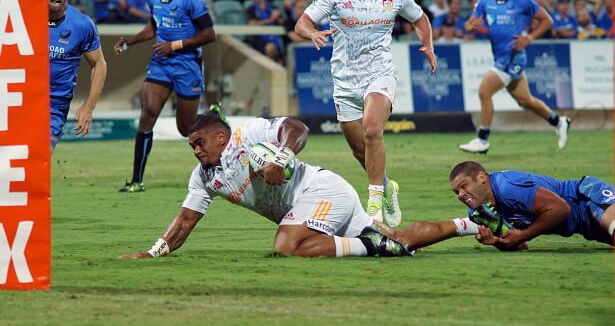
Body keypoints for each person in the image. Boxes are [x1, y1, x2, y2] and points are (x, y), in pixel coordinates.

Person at [120, 115, 480, 259]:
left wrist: (280, 158)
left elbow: (297, 129)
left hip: (320, 190)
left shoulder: (249, 134)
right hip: (312, 208)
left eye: (200, 142)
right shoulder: (203, 177)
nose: (196, 150)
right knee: (400, 237)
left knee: (287, 246)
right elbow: (184, 222)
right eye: (192, 146)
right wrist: (154, 253)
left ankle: (370, 247)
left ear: (220, 136)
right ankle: (473, 225)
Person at [294, 0, 437, 227]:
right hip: (345, 81)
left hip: (380, 74)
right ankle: (386, 187)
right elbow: (302, 22)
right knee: (360, 150)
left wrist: (429, 45)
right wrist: (311, 33)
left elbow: (420, 19)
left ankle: (373, 202)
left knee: (372, 129)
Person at [113, 0, 216, 193]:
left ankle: (212, 118)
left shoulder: (191, 0)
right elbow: (154, 26)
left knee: (185, 129)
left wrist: (175, 45)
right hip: (161, 63)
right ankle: (136, 180)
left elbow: (209, 34)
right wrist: (130, 41)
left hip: (187, 65)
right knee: (147, 112)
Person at [459, 0, 569, 154]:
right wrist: (470, 26)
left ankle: (482, 139)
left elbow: (548, 20)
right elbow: (469, 24)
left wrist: (530, 38)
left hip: (513, 58)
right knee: (525, 100)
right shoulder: (485, 1)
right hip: (499, 56)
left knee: (485, 91)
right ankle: (559, 122)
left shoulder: (522, 2)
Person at [449, 161, 615, 250]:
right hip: (584, 227)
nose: (461, 195)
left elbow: (561, 208)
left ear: (481, 177)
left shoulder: (507, 187)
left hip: (586, 196)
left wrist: (524, 235)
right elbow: (519, 244)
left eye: (464, 186)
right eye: (456, 192)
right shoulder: (480, 213)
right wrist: (497, 242)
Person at [47, 0, 107, 150]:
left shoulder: (82, 25)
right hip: (23, 98)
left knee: (38, 161)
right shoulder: (22, 18)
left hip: (54, 109)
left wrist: (89, 106)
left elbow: (99, 64)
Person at [245, 0, 285, 64]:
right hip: (259, 38)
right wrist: (270, 20)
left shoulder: (273, 7)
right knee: (270, 47)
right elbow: (252, 24)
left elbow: (282, 23)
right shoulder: (251, 9)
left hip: (276, 36)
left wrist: (278, 18)